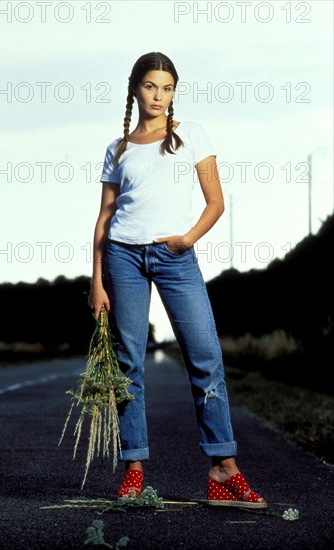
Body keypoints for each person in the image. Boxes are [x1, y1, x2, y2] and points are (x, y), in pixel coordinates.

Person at [88, 51, 266, 508]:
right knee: (129, 364)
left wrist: (186, 240)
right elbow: (105, 218)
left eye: (167, 88)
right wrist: (97, 281)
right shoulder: (119, 148)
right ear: (135, 88)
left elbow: (215, 203)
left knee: (205, 356)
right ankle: (133, 469)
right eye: (151, 86)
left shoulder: (190, 135)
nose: (159, 96)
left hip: (175, 256)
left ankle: (223, 469)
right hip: (123, 258)